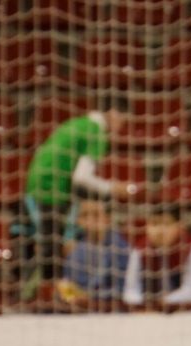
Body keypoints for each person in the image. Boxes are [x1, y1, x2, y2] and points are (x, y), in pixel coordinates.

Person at [17, 107, 126, 298]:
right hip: (52, 191)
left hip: (37, 184)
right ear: (113, 113)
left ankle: (43, 296)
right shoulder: (97, 133)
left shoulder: (78, 123)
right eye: (122, 118)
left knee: (48, 250)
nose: (122, 125)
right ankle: (37, 298)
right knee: (51, 254)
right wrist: (112, 188)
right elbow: (81, 178)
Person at [122, 205, 191, 311]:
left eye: (166, 224)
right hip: (149, 312)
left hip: (190, 311)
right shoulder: (139, 249)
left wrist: (165, 301)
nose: (160, 230)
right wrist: (141, 306)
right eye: (154, 224)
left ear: (179, 226)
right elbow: (130, 290)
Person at [59, 198, 129, 310]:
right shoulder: (76, 250)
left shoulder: (121, 248)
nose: (90, 220)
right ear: (78, 220)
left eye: (96, 215)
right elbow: (67, 282)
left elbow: (121, 290)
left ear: (107, 218)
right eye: (85, 215)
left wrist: (88, 297)